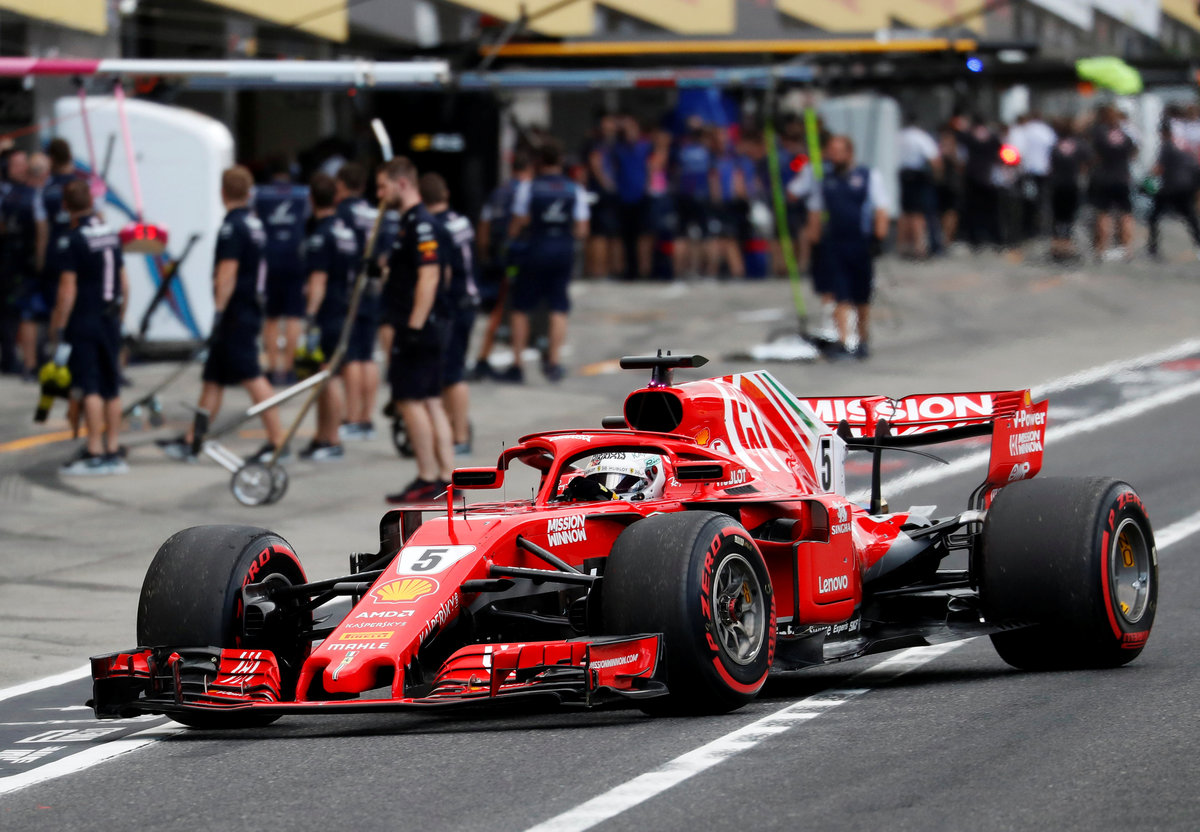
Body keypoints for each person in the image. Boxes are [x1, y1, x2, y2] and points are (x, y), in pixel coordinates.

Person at [158, 166, 286, 462]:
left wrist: (217, 311)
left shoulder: (232, 227)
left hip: (236, 313)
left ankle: (278, 442)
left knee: (252, 376)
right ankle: (193, 439)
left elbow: (226, 274)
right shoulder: (254, 223)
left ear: (222, 193)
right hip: (247, 307)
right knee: (213, 378)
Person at [376, 157, 454, 504]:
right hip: (427, 324)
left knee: (410, 401)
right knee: (432, 401)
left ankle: (428, 477)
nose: (380, 194)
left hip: (419, 327)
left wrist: (414, 326)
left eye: (383, 187)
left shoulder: (421, 224)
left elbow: (431, 275)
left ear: (402, 183)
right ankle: (446, 476)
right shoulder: (410, 223)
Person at [48, 180, 129, 474]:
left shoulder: (73, 239)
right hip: (110, 319)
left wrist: (58, 325)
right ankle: (113, 448)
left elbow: (67, 289)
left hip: (85, 318)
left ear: (66, 206)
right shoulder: (110, 233)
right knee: (112, 386)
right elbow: (124, 284)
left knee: (90, 386)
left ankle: (94, 449)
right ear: (92, 202)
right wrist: (120, 317)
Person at [502, 138, 589, 384]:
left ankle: (517, 365)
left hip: (535, 249)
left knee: (520, 308)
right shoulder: (575, 189)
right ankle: (553, 363)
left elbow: (517, 223)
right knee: (559, 307)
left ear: (539, 161)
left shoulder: (528, 187)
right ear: (561, 161)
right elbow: (582, 229)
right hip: (562, 251)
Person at [805, 135, 888, 360]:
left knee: (861, 295)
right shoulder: (825, 180)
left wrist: (878, 238)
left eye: (839, 151)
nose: (834, 155)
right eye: (831, 151)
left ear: (849, 153)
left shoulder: (867, 176)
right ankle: (843, 340)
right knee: (839, 292)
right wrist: (814, 243)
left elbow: (880, 208)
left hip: (860, 242)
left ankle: (862, 339)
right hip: (835, 243)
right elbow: (815, 211)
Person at [297, 172, 358, 462]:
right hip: (343, 308)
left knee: (327, 377)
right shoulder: (345, 230)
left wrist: (310, 316)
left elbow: (318, 280)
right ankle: (322, 436)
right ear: (336, 198)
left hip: (327, 314)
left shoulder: (321, 236)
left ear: (311, 200)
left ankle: (331, 439)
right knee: (323, 377)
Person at [420, 172, 477, 455]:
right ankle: (455, 427)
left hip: (453, 304)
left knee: (452, 374)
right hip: (469, 299)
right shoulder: (461, 220)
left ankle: (459, 435)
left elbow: (442, 273)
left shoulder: (435, 227)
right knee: (452, 370)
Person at [472, 151, 531, 380]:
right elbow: (522, 223)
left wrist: (484, 253)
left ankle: (487, 358)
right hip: (517, 257)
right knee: (512, 309)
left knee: (501, 307)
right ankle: (502, 361)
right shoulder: (525, 192)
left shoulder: (498, 192)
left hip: (497, 257)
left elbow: (484, 225)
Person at [332, 162, 380, 442]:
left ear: (341, 185)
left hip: (349, 290)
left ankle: (351, 417)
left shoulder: (342, 212)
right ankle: (366, 417)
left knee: (351, 357)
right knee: (367, 355)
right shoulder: (375, 212)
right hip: (372, 288)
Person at [255, 155, 309, 386]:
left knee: (271, 317)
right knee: (294, 316)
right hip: (295, 258)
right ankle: (288, 369)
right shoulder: (303, 193)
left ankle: (272, 368)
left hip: (270, 259)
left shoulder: (259, 194)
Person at [2, 150, 44, 381]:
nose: (22, 168)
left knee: (22, 310)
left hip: (25, 260)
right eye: (16, 164)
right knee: (11, 311)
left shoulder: (34, 192)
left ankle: (25, 359)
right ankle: (10, 357)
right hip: (9, 258)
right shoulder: (6, 192)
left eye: (23, 163)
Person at [1087, 104, 1137, 262]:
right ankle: (1126, 249)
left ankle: (1101, 249)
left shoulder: (1099, 133)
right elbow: (1133, 153)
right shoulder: (1125, 135)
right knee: (1126, 214)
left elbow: (1093, 156)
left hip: (1104, 177)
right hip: (1122, 176)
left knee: (1103, 214)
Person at [1147, 121, 1200, 261]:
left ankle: (1153, 247)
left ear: (1163, 133)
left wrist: (1147, 179)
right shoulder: (1183, 144)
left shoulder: (1166, 146)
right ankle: (1198, 243)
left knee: (1153, 217)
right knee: (1191, 217)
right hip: (1187, 185)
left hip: (1170, 186)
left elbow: (1159, 168)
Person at [673, 116, 716, 279]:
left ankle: (679, 272)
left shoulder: (681, 150)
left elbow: (676, 172)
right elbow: (712, 175)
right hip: (702, 195)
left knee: (681, 235)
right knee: (707, 236)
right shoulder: (707, 151)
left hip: (684, 195)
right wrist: (715, 197)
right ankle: (710, 272)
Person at [611, 115, 652, 280]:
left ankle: (645, 270)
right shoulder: (618, 148)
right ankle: (629, 269)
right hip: (624, 197)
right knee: (626, 237)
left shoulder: (645, 146)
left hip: (642, 196)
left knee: (644, 235)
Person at [954, 114, 1002, 250]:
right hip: (988, 176)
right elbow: (1000, 153)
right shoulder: (992, 137)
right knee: (991, 209)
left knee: (973, 209)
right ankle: (993, 236)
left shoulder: (968, 137)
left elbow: (961, 155)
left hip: (972, 176)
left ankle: (974, 238)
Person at [896, 115, 941, 259]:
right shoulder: (920, 137)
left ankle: (903, 246)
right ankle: (919, 248)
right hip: (917, 177)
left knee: (905, 212)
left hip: (901, 175)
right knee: (917, 213)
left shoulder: (899, 136)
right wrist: (937, 177)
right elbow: (934, 158)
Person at [1011, 112, 1057, 243]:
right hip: (1043, 171)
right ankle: (1040, 227)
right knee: (1042, 200)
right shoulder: (1047, 131)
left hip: (1027, 170)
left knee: (1027, 200)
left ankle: (1027, 228)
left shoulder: (1025, 131)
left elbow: (1017, 150)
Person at [584, 114, 620, 278]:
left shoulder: (613, 144)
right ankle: (598, 271)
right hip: (601, 193)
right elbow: (595, 163)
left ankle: (605, 269)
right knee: (599, 234)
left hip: (607, 193)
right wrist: (606, 184)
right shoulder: (597, 144)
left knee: (608, 234)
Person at [1048, 118, 1089, 262]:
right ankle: (1067, 244)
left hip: (1057, 183)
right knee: (1070, 216)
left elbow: (1050, 163)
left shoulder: (1055, 144)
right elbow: (1087, 163)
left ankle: (1056, 244)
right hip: (1072, 183)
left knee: (1057, 216)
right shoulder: (1080, 145)